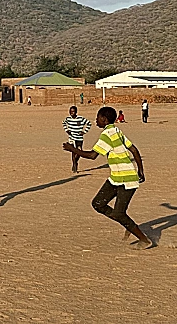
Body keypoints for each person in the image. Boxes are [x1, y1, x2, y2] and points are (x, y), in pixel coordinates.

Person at [63, 106, 152, 248]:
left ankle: (144, 240)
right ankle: (127, 223)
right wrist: (140, 170)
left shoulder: (108, 134)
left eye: (97, 117)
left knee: (119, 213)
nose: (95, 120)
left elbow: (92, 156)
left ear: (104, 119)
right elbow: (134, 149)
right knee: (98, 204)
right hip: (116, 178)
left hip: (127, 179)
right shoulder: (117, 130)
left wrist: (72, 149)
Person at [63, 105, 91, 173]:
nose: (71, 113)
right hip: (72, 138)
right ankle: (74, 166)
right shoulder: (68, 119)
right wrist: (67, 130)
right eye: (70, 111)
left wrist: (84, 132)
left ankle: (76, 162)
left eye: (73, 111)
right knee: (73, 152)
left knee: (79, 151)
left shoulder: (80, 119)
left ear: (76, 112)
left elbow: (89, 123)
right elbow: (64, 123)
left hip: (79, 138)